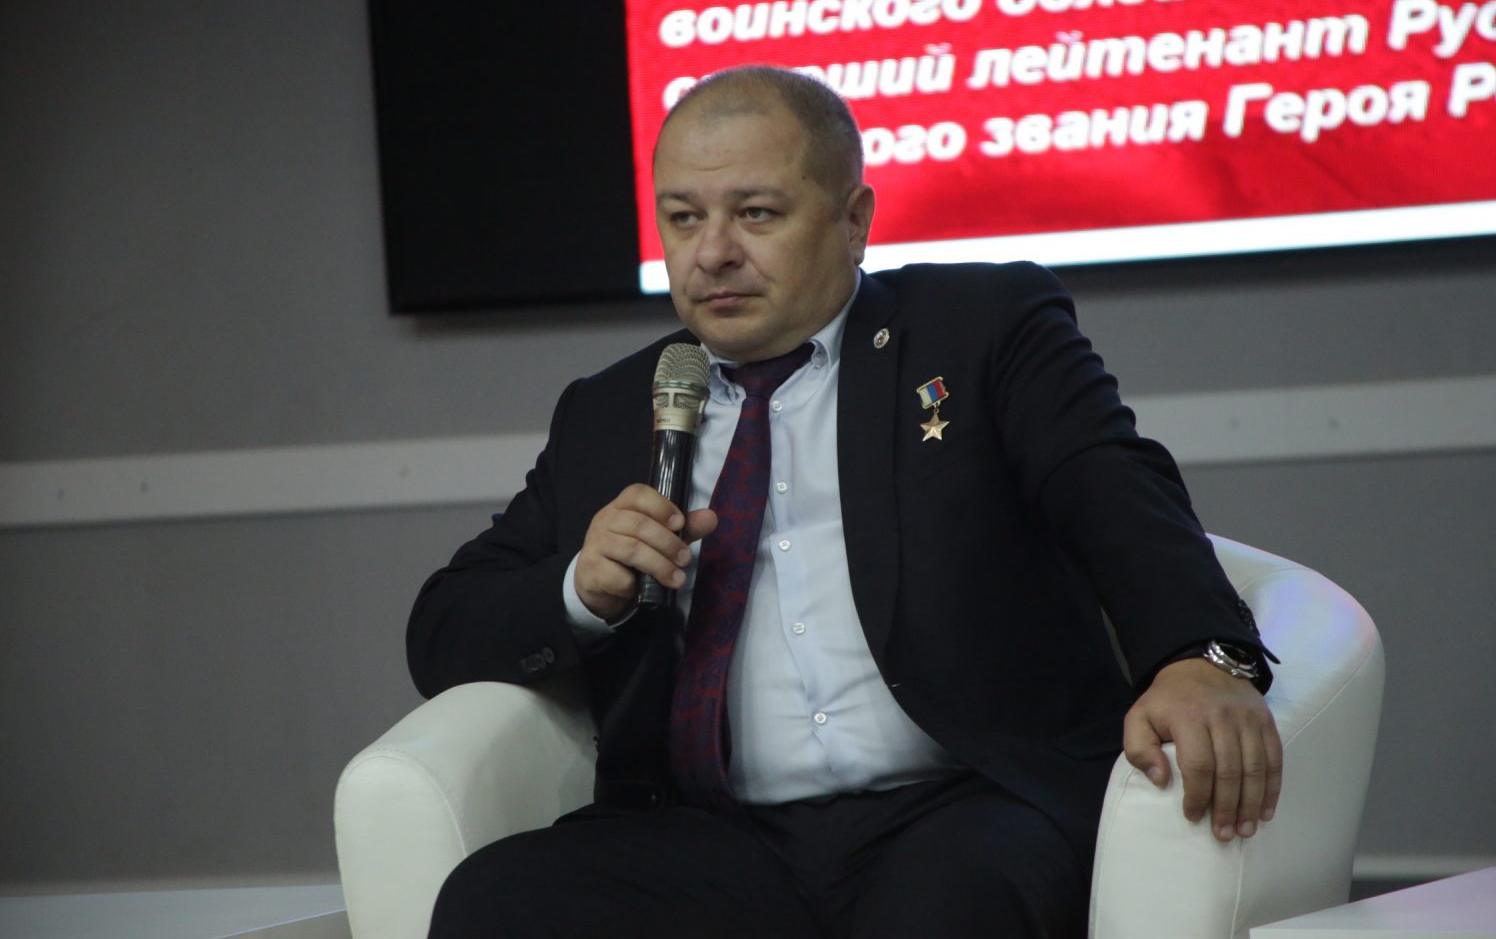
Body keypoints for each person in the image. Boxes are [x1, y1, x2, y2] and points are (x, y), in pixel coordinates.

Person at [407, 65, 1281, 938]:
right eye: (684, 218)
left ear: (853, 220)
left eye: (756, 214)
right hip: (710, 834)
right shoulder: (609, 410)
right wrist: (579, 589)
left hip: (960, 804)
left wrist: (1200, 656)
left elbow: (1114, 488)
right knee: (499, 900)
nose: (712, 253)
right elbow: (446, 624)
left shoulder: (979, 328)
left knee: (948, 907)